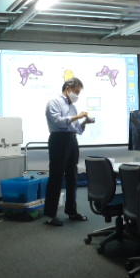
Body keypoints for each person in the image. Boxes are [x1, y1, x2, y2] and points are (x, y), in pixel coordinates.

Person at [43, 77, 94, 226]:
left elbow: (77, 129)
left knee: (73, 176)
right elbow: (57, 121)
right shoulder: (54, 102)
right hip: (58, 140)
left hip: (72, 140)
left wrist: (84, 122)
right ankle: (50, 215)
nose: (77, 95)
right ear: (68, 88)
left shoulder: (72, 106)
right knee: (56, 176)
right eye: (76, 92)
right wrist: (77, 116)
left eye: (78, 93)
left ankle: (72, 211)